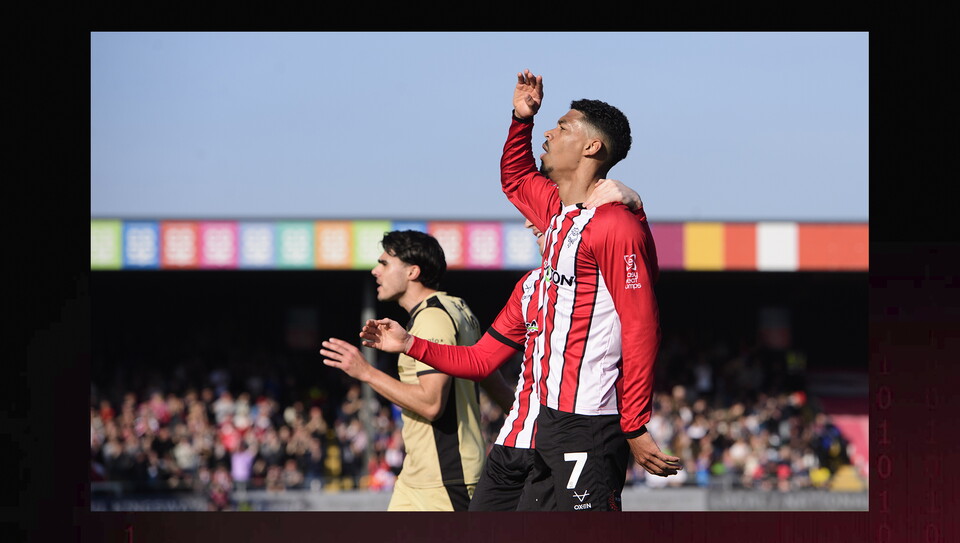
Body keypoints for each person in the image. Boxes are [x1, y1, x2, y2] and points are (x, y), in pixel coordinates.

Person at [359, 180, 645, 511]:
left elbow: (643, 316)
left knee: (579, 532)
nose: (527, 222)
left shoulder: (604, 276)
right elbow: (482, 363)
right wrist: (408, 343)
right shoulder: (528, 286)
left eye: (384, 263)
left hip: (560, 442)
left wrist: (637, 212)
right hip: (512, 444)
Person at [497, 69, 681, 511]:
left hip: (590, 419)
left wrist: (634, 423)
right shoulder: (558, 210)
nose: (549, 133)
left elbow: (641, 326)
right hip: (551, 416)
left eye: (561, 127)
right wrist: (521, 120)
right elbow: (515, 179)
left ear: (591, 146)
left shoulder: (615, 223)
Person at [320, 229, 512, 511]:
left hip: (445, 478)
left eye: (384, 263)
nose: (375, 271)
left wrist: (366, 372)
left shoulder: (433, 318)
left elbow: (432, 404)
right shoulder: (457, 307)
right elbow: (490, 377)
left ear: (412, 271)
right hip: (418, 477)